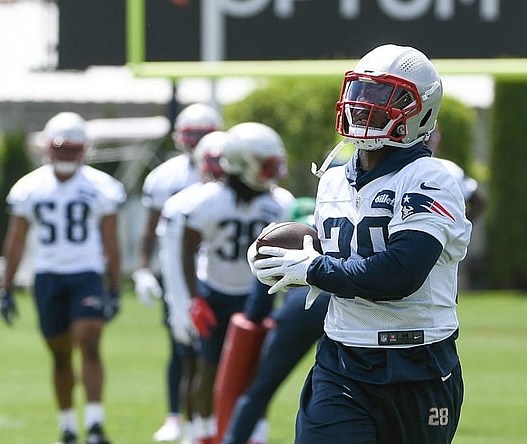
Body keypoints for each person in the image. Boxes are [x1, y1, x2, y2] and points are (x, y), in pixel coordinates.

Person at [252, 43, 472, 443]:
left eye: (384, 95)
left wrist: (312, 269)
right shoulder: (334, 178)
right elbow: (343, 253)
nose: (365, 105)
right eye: (361, 92)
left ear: (420, 109)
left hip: (417, 362)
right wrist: (286, 254)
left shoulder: (429, 178)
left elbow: (398, 274)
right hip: (343, 359)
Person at [0, 111, 125, 444]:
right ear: (48, 149)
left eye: (73, 149)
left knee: (90, 342)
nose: (67, 156)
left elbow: (111, 240)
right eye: (61, 149)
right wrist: (5, 287)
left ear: (84, 150)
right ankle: (68, 426)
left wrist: (113, 285)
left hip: (86, 273)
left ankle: (95, 424)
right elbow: (17, 239)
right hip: (48, 275)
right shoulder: (29, 187)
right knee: (60, 353)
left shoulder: (101, 186)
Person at [175, 122, 293, 444]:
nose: (274, 171)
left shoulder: (280, 202)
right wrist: (195, 298)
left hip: (259, 295)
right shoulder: (208, 200)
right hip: (216, 292)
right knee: (208, 367)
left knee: (257, 373)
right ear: (243, 163)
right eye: (267, 164)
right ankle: (203, 433)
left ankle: (257, 435)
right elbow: (186, 250)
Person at [132, 103, 223, 442]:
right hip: (176, 272)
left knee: (214, 352)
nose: (197, 142)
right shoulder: (164, 178)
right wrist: (143, 270)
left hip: (218, 269)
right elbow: (150, 227)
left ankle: (216, 421)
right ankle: (178, 418)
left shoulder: (230, 169)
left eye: (204, 135)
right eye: (192, 135)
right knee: (182, 349)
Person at [220, 199, 330, 444]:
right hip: (341, 302)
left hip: (297, 309)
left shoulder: (279, 236)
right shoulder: (334, 228)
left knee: (261, 388)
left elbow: (261, 297)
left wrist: (255, 320)